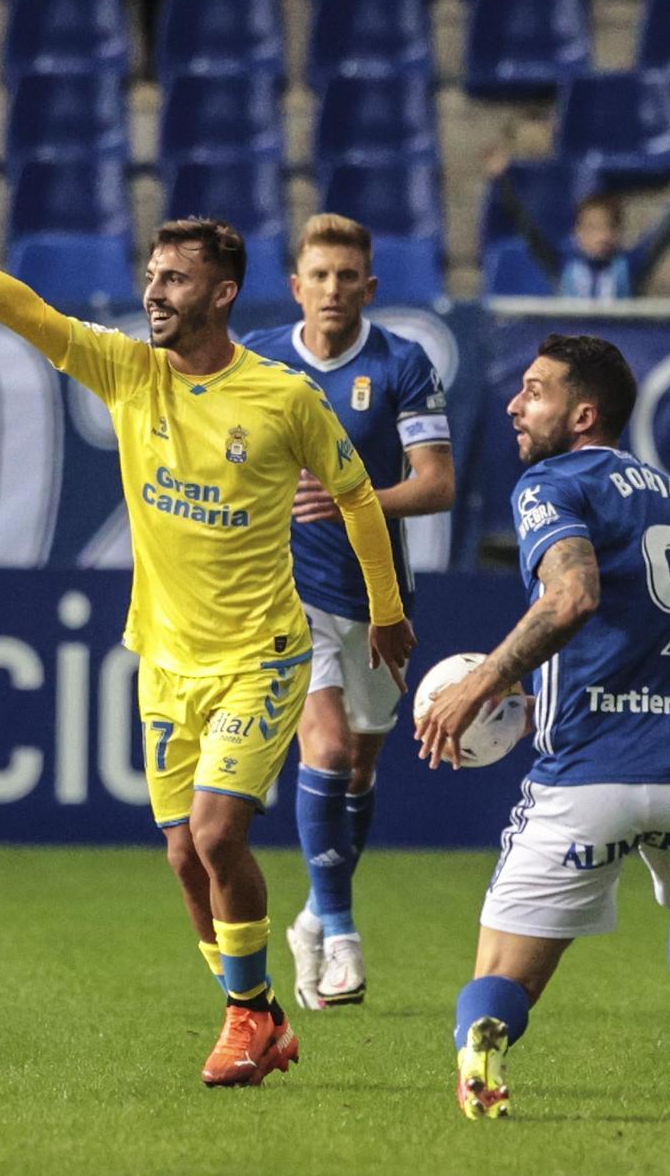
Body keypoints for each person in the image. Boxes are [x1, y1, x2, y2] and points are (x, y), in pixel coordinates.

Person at [0, 175, 417, 1085]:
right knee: (184, 855)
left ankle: (250, 1017)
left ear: (222, 293)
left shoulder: (282, 397)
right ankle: (257, 1015)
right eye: (151, 275)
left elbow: (353, 496)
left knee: (220, 835)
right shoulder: (129, 371)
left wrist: (385, 610)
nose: (154, 292)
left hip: (261, 655)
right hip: (164, 660)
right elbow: (33, 316)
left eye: (175, 279)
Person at [414, 335, 670, 1123]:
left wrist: (484, 680)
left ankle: (484, 1040)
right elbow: (646, 631)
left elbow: (572, 597)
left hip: (591, 778)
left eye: (533, 391)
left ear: (582, 414)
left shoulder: (551, 482)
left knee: (501, 975)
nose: (513, 403)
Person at [239, 214, 454, 1012]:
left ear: (370, 285)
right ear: (296, 286)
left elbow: (436, 482)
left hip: (377, 596)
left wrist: (350, 496)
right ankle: (342, 929)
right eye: (318, 275)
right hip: (284, 593)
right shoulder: (257, 359)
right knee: (324, 749)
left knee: (358, 769)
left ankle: (311, 918)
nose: (332, 289)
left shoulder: (401, 363)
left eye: (346, 276)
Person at [483, 140, 670, 299]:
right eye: (591, 228)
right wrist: (503, 181)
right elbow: (526, 226)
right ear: (577, 233)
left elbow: (668, 227)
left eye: (609, 227)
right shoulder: (561, 264)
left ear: (619, 233)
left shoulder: (631, 267)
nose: (601, 236)